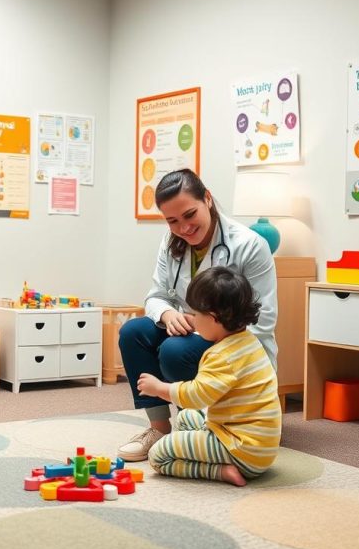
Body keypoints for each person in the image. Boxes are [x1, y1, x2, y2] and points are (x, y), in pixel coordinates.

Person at [117, 168, 277, 462]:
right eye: (172, 221)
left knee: (174, 350)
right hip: (192, 330)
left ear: (208, 199)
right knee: (132, 332)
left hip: (234, 345)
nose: (184, 228)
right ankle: (159, 428)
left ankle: (201, 425)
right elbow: (155, 295)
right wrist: (166, 314)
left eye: (190, 214)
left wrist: (203, 326)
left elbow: (262, 320)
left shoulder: (250, 245)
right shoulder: (170, 243)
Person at [138, 266, 281, 485]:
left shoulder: (221, 356)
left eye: (195, 314)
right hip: (260, 444)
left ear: (213, 318)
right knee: (187, 418)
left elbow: (196, 396)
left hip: (241, 449)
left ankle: (222, 471)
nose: (192, 319)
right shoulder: (248, 341)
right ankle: (216, 453)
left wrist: (159, 388)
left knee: (158, 455)